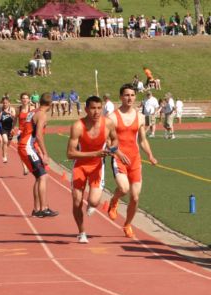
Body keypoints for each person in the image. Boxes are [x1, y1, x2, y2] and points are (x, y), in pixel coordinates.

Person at [66, 95, 129, 243]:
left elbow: (115, 139)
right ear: (86, 109)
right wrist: (95, 153)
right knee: (76, 201)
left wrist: (113, 149)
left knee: (94, 202)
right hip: (80, 166)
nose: (96, 112)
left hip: (97, 166)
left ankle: (92, 204)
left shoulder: (108, 124)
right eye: (93, 108)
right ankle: (81, 232)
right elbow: (70, 153)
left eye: (99, 108)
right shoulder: (78, 126)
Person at [107, 84, 158, 238]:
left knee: (135, 197)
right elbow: (108, 142)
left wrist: (150, 155)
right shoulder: (112, 117)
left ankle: (127, 224)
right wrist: (118, 152)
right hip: (118, 158)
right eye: (126, 95)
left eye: (132, 95)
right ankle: (114, 200)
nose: (130, 98)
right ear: (121, 97)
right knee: (123, 189)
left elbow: (142, 140)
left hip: (135, 159)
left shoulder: (140, 116)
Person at [18, 92, 58, 218]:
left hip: (25, 145)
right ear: (50, 104)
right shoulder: (42, 115)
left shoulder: (33, 112)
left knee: (39, 177)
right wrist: (45, 153)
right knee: (43, 176)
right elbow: (39, 135)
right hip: (27, 147)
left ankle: (37, 209)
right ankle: (44, 208)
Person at [16, 92, 35, 176]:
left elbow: (35, 119)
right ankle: (25, 167)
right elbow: (14, 120)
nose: (25, 99)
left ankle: (33, 163)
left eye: (26, 98)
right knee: (21, 150)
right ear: (21, 100)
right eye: (23, 98)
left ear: (29, 99)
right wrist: (13, 128)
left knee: (31, 149)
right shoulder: (19, 109)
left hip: (30, 132)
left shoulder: (32, 108)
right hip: (21, 132)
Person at [0, 96, 15, 163]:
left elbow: (15, 118)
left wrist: (10, 114)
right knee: (5, 141)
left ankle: (4, 150)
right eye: (3, 103)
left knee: (7, 144)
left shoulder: (11, 109)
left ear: (9, 103)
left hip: (10, 128)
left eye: (6, 103)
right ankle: (4, 157)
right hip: (3, 128)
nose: (5, 104)